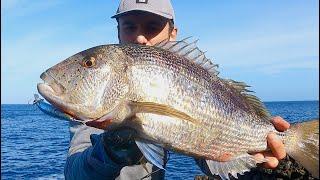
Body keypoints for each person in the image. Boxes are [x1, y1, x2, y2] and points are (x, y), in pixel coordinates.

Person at [64, 0, 291, 179]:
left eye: (153, 27)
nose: (141, 37)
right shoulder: (98, 95)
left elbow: (209, 156)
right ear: (118, 33)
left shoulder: (193, 79)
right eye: (130, 27)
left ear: (173, 34)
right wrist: (111, 150)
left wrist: (254, 151)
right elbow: (75, 174)